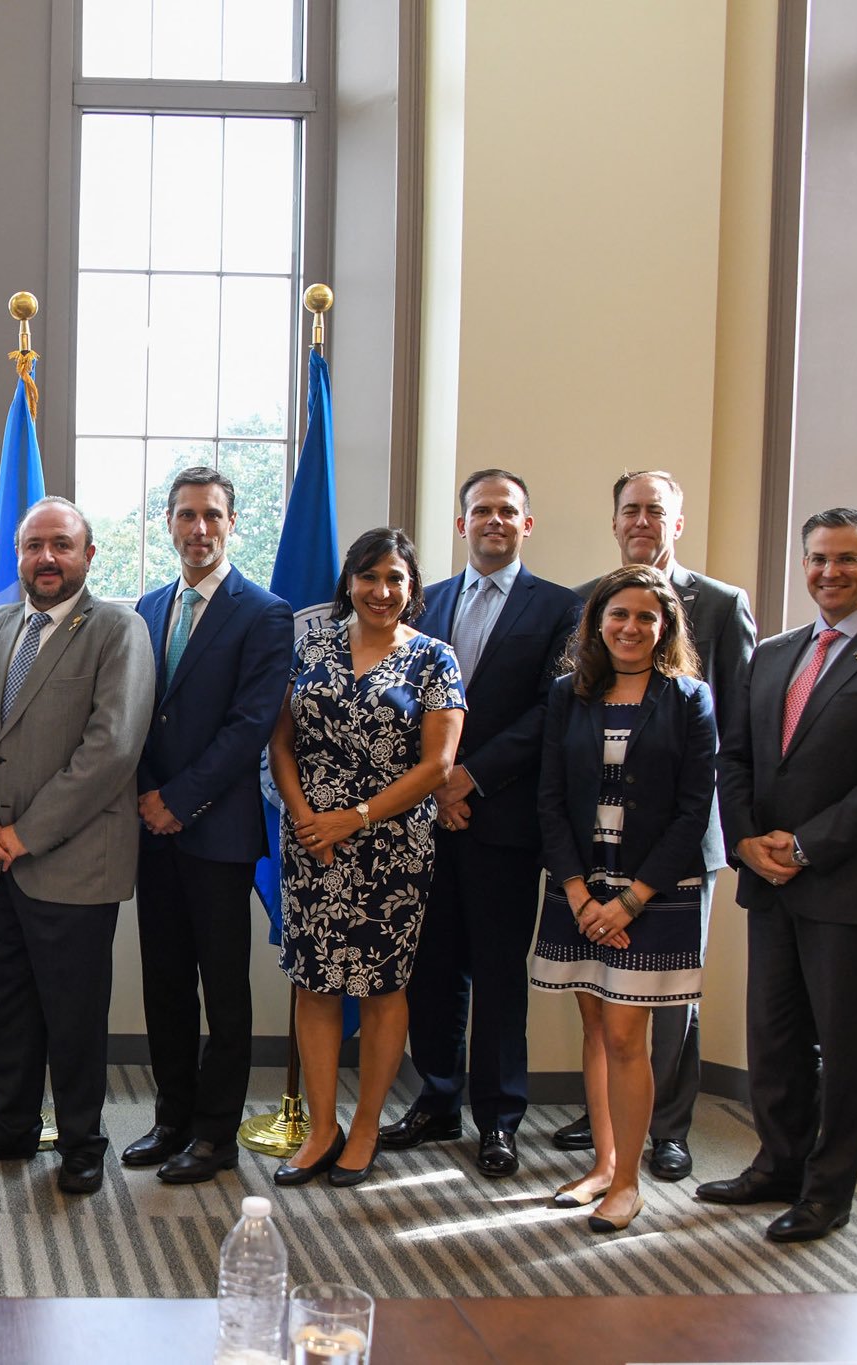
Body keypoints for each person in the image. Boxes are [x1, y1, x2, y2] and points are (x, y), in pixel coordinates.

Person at [701, 507, 857, 1243]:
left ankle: (827, 1190)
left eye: (846, 559)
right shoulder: (773, 654)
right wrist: (747, 840)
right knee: (772, 1038)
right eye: (817, 558)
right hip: (770, 881)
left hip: (849, 886)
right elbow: (733, 756)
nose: (829, 572)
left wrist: (802, 846)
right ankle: (777, 1164)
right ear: (803, 563)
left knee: (842, 1048)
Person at [0, 497, 152, 1197]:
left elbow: (110, 748)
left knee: (74, 1012)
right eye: (33, 546)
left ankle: (83, 1140)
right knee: (3, 1005)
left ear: (89, 554)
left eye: (62, 544)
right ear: (18, 555)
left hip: (72, 863)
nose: (46, 558)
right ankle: (7, 1124)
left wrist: (25, 833)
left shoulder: (118, 628)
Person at [552, 471, 756, 1181]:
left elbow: (736, 733)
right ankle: (609, 1132)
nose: (642, 520)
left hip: (677, 846)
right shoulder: (586, 604)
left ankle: (668, 1129)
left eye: (655, 510)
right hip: (593, 847)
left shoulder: (723, 607)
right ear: (614, 521)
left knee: (668, 1001)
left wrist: (644, 886)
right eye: (630, 509)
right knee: (603, 1007)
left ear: (678, 521)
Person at [381, 470, 581, 1179]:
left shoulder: (562, 607)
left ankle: (499, 1117)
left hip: (501, 819)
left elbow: (549, 710)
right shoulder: (421, 603)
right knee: (431, 966)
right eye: (480, 510)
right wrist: (435, 787)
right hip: (424, 819)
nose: (493, 520)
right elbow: (399, 699)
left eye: (507, 510)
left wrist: (468, 777)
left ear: (527, 524)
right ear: (461, 525)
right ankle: (438, 1097)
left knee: (497, 971)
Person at [267, 528, 464, 1189]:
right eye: (370, 576)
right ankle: (322, 1126)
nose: (382, 591)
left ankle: (367, 1127)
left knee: (382, 989)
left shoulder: (435, 659)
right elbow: (282, 744)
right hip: (311, 845)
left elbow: (438, 764)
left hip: (392, 848)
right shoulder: (311, 646)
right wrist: (304, 819)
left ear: (412, 590)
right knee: (316, 983)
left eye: (397, 579)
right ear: (348, 581)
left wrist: (352, 817)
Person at [532, 565, 716, 1233]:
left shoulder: (689, 697)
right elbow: (549, 799)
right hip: (581, 887)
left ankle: (630, 1182)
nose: (631, 628)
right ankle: (603, 1164)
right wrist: (580, 892)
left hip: (653, 893)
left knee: (625, 1035)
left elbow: (695, 811)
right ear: (597, 622)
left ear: (665, 626)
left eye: (646, 617)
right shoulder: (567, 695)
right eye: (619, 615)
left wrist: (631, 899)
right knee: (595, 1029)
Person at [124, 467, 293, 1185]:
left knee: (223, 992)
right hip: (149, 828)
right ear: (168, 522)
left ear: (232, 524)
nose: (199, 528)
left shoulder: (265, 612)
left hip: (216, 832)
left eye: (212, 516)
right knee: (163, 984)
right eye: (186, 515)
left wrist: (179, 798)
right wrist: (144, 793)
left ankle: (216, 1134)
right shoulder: (146, 604)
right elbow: (129, 713)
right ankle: (171, 1119)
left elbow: (249, 726)